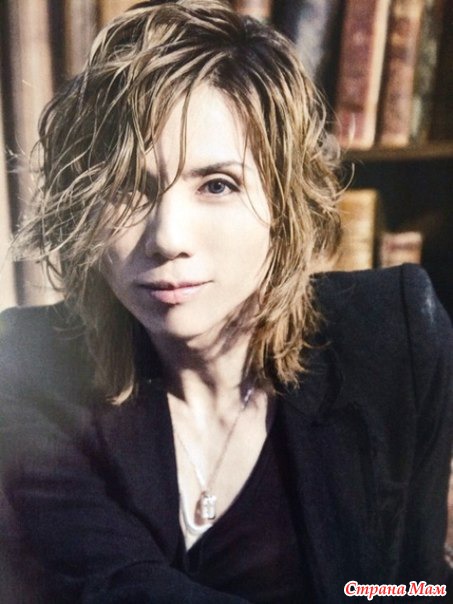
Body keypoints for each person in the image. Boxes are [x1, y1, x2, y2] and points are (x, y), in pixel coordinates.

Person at [1, 1, 452, 602]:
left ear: (285, 205)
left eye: (217, 185)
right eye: (127, 190)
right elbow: (118, 589)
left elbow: (416, 584)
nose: (167, 239)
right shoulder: (30, 367)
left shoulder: (395, 337)